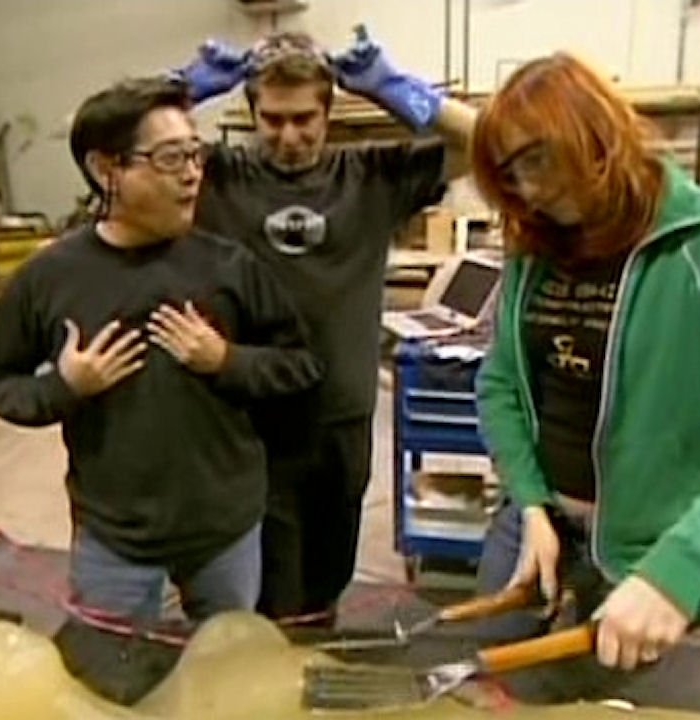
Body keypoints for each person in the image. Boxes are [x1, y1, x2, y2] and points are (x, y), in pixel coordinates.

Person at [467, 53, 700, 694]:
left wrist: (680, 570)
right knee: (491, 692)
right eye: (510, 174)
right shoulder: (534, 248)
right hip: (532, 527)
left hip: (646, 548)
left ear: (595, 131)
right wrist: (529, 502)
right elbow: (500, 382)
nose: (527, 191)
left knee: (605, 702)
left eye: (537, 160)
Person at [0, 76, 322, 630]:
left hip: (225, 530)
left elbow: (300, 364)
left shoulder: (229, 266)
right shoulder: (50, 278)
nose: (192, 173)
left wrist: (225, 360)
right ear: (106, 169)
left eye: (195, 154)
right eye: (170, 158)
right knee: (110, 669)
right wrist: (63, 389)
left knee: (225, 662)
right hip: (114, 537)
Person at [173, 31, 476, 619]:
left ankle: (310, 642)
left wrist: (396, 89)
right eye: (273, 119)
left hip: (341, 416)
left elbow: (500, 141)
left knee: (326, 576)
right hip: (247, 417)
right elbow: (104, 145)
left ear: (328, 111)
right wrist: (182, 90)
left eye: (304, 119)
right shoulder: (215, 174)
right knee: (265, 585)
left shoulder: (373, 176)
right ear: (251, 112)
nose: (288, 136)